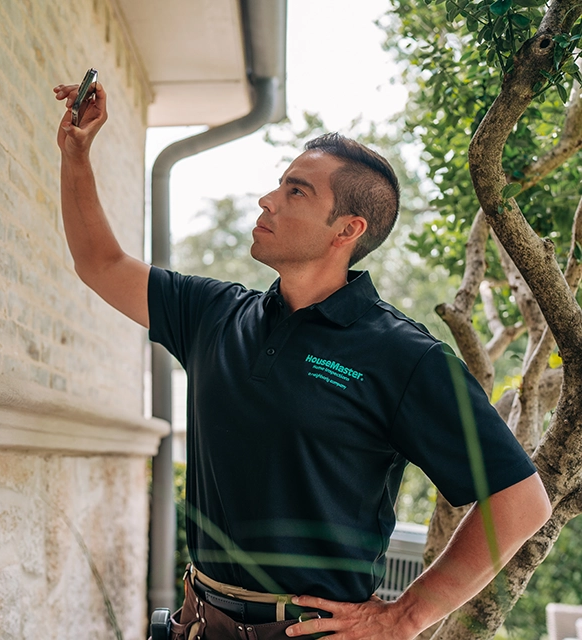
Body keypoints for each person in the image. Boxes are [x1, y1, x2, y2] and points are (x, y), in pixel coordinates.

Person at [54, 81, 552, 640]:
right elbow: (100, 263)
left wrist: (406, 616)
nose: (267, 200)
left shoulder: (404, 357)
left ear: (347, 230)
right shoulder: (213, 314)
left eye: (296, 192)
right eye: (278, 185)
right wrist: (76, 153)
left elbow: (520, 500)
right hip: (200, 624)